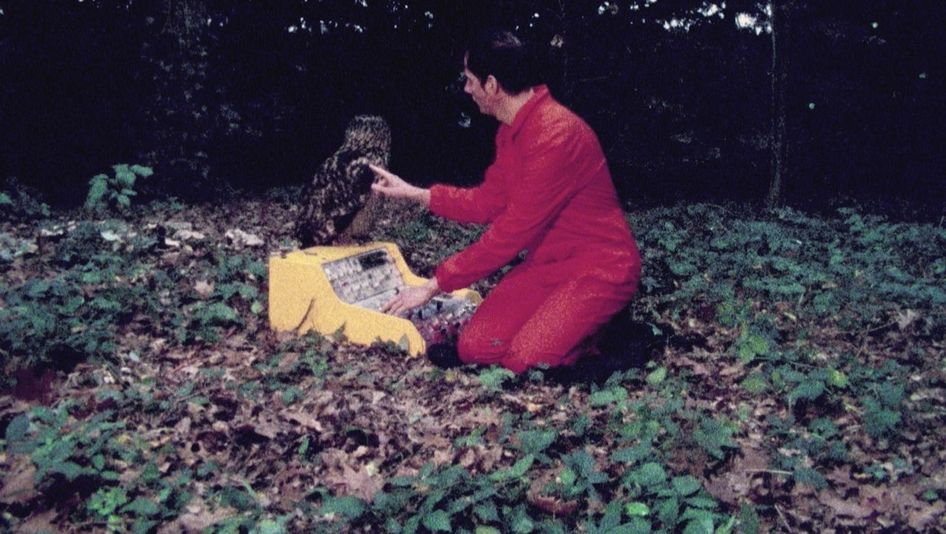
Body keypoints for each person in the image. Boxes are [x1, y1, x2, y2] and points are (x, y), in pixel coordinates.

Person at [369, 29, 640, 374]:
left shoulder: (557, 134)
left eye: (469, 80)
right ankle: (572, 328)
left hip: (600, 267)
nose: (466, 89)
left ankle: (605, 332)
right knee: (475, 347)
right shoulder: (512, 131)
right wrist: (418, 193)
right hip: (549, 267)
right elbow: (488, 202)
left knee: (525, 360)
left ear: (492, 85)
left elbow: (511, 234)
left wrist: (435, 284)